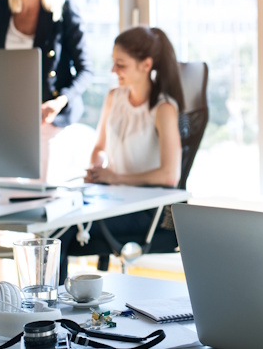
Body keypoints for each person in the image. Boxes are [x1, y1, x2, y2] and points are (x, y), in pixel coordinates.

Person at [56, 26, 184, 280]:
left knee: (60, 232)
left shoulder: (163, 109)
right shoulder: (114, 97)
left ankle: (47, 309)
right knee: (54, 221)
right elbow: (99, 147)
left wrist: (116, 178)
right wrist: (97, 170)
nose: (113, 71)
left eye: (121, 64)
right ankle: (47, 306)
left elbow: (170, 175)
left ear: (146, 65)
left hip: (147, 210)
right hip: (112, 200)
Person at [0, 0, 92, 181]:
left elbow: (86, 70)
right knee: (4, 189)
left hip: (51, 114)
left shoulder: (64, 7)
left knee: (41, 192)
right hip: (13, 114)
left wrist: (60, 101)